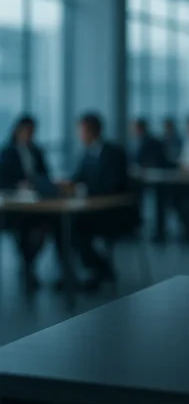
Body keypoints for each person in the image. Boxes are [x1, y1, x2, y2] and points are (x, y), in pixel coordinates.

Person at [55, 113, 133, 291]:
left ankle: (101, 269)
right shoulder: (87, 153)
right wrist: (65, 185)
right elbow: (78, 178)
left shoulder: (114, 153)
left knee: (75, 229)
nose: (79, 136)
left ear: (92, 131)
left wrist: (82, 189)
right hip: (93, 210)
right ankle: (72, 274)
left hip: (114, 213)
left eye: (81, 132)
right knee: (62, 226)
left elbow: (113, 185)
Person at [0, 115, 51, 289]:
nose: (30, 134)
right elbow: (3, 180)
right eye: (27, 131)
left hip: (37, 203)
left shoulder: (37, 151)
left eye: (32, 131)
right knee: (23, 230)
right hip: (16, 206)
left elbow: (45, 175)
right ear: (18, 131)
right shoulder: (8, 152)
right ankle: (27, 267)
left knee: (47, 226)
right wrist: (19, 185)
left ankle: (28, 265)